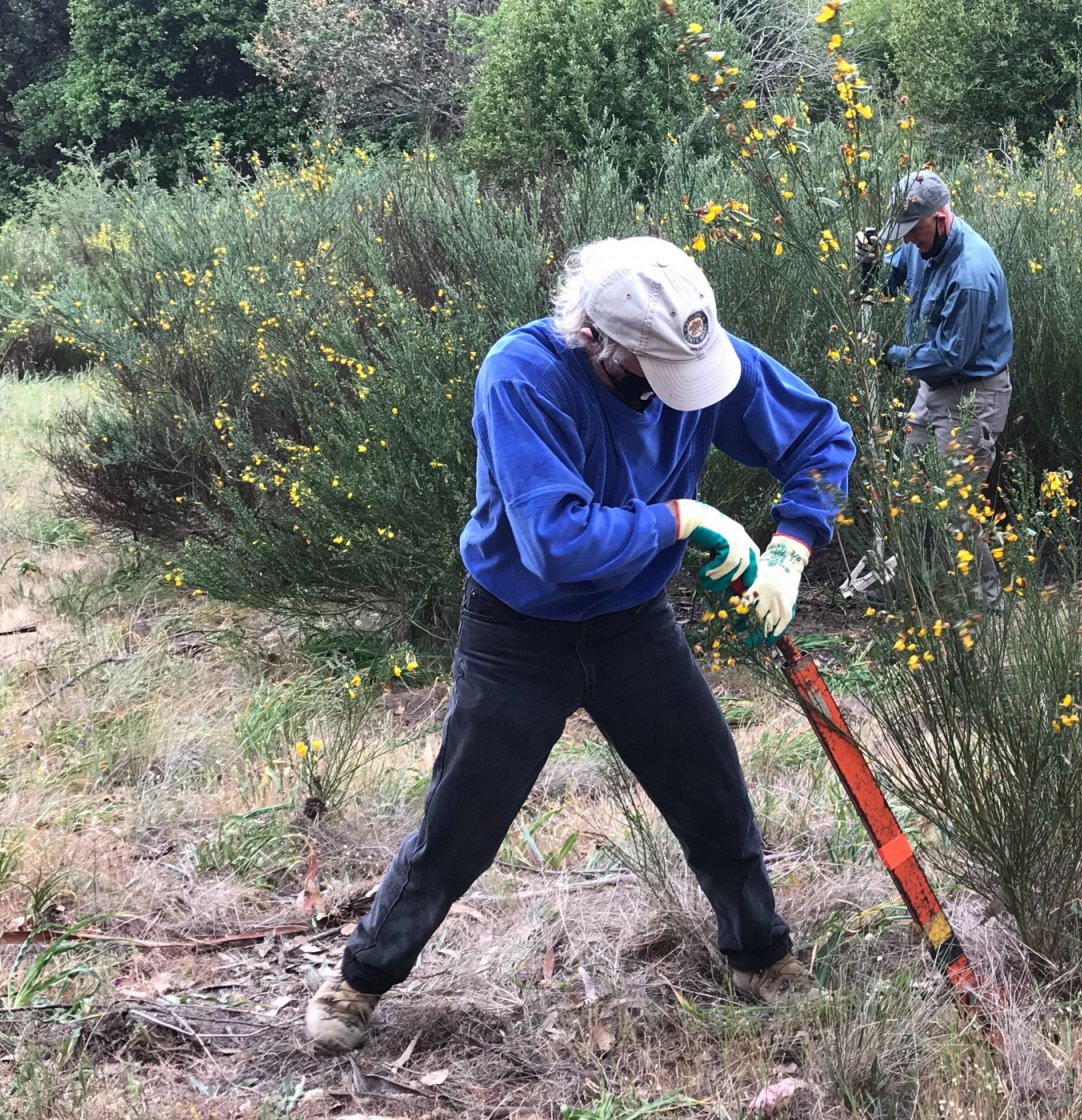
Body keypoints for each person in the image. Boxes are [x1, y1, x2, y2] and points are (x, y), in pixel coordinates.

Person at [305, 236, 855, 1053]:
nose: (678, 392)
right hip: (519, 629)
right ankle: (360, 980)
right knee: (461, 824)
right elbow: (555, 543)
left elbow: (819, 437)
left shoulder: (691, 350)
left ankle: (760, 957)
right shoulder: (521, 377)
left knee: (712, 793)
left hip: (635, 625)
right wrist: (683, 518)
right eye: (656, 372)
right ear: (598, 338)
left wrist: (791, 549)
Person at [850, 169, 1014, 604]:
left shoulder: (971, 273)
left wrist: (890, 354)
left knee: (952, 507)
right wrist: (867, 260)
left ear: (940, 218)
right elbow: (882, 284)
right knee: (913, 495)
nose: (906, 240)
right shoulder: (921, 248)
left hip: (974, 395)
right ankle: (915, 592)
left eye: (913, 230)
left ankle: (987, 601)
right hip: (934, 388)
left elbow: (950, 355)